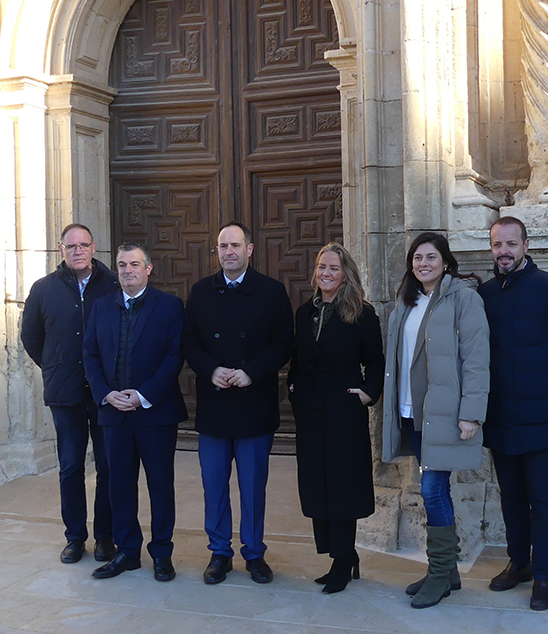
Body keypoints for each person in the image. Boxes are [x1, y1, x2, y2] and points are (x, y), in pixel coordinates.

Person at [478, 216, 548, 611]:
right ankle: (518, 563)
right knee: (511, 496)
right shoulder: (486, 294)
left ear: (526, 244)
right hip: (499, 416)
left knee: (541, 497)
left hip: (541, 416)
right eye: (496, 245)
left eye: (510, 244)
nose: (503, 252)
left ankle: (544, 576)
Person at [381, 232, 490, 609]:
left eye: (430, 257)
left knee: (431, 490)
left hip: (444, 413)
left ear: (445, 261)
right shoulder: (405, 301)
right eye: (417, 258)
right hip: (412, 411)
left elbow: (476, 359)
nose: (423, 263)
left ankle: (439, 573)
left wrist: (472, 414)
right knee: (434, 490)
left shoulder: (463, 298)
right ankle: (449, 572)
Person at [183, 222, 293, 585]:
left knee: (252, 486)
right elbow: (190, 342)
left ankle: (255, 553)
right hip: (214, 405)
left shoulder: (272, 292)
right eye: (222, 246)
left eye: (235, 245)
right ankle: (219, 552)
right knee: (213, 486)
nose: (229, 251)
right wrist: (210, 369)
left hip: (253, 404)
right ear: (216, 251)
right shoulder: (200, 292)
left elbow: (282, 344)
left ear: (250, 249)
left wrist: (251, 373)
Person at [81, 242, 187, 580]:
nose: (128, 270)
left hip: (155, 414)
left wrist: (142, 395)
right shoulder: (100, 307)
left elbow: (174, 357)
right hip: (113, 414)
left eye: (134, 264)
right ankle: (127, 551)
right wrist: (106, 394)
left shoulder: (169, 306)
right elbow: (90, 355)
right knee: (118, 485)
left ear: (148, 268)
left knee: (160, 485)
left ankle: (161, 553)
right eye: (122, 265)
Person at [288, 243, 385, 594]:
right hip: (311, 410)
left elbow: (375, 361)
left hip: (344, 409)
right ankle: (335, 553)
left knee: (342, 484)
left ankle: (344, 559)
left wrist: (367, 392)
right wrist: (294, 390)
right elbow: (297, 359)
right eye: (321, 267)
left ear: (346, 274)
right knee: (317, 482)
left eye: (333, 268)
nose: (325, 274)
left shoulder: (362, 313)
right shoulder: (305, 312)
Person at [20, 223, 120, 565]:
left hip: (104, 392)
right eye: (70, 246)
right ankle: (75, 537)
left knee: (108, 466)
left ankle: (106, 536)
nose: (78, 251)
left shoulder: (112, 285)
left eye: (84, 245)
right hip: (65, 392)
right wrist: (54, 366)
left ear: (94, 248)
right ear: (60, 250)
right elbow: (32, 337)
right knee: (70, 466)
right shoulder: (43, 289)